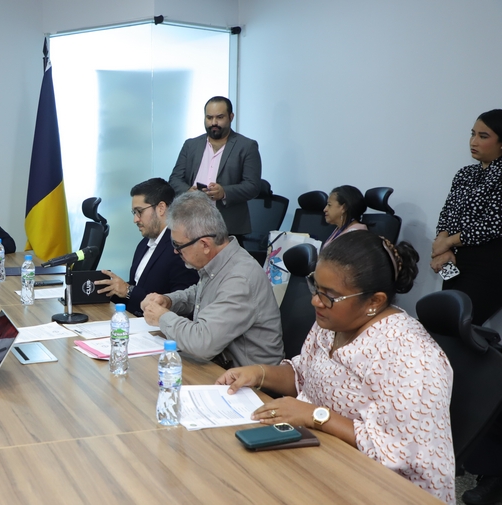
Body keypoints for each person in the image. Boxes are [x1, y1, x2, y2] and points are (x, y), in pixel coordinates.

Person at [216, 231, 454, 504]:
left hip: (386, 489)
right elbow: (304, 376)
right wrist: (259, 373)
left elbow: (399, 454)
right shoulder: (333, 321)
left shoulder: (412, 357)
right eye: (315, 287)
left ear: (374, 301)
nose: (315, 301)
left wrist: (316, 416)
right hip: (320, 458)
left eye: (329, 295)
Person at [139, 191, 283, 367]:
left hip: (250, 379)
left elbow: (202, 343)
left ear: (205, 244)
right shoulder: (221, 260)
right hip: (219, 367)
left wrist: (163, 318)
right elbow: (200, 293)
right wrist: (169, 301)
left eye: (178, 245)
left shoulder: (240, 278)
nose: (175, 251)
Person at [432, 109, 502, 326]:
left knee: (460, 324)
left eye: (483, 136)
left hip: (489, 262)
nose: (473, 141)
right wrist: (442, 245)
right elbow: (448, 213)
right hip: (455, 257)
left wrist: (448, 243)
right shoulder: (465, 173)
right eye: (473, 134)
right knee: (442, 319)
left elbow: (493, 224)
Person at [94, 178, 199, 316]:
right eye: (134, 213)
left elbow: (181, 303)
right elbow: (135, 287)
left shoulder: (180, 246)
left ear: (161, 208)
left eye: (139, 211)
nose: (135, 219)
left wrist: (128, 290)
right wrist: (110, 289)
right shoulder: (144, 244)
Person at [167, 96, 262, 242]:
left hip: (227, 226)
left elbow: (253, 186)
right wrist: (188, 192)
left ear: (231, 117)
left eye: (220, 117)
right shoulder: (191, 145)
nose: (214, 123)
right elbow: (174, 179)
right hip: (190, 223)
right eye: (209, 117)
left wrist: (224, 192)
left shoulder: (247, 146)